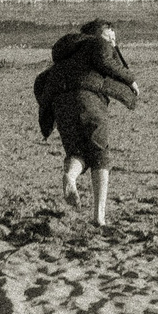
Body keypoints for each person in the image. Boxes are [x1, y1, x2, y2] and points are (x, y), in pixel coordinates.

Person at [32, 20, 137, 228]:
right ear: (98, 34)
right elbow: (105, 62)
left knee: (76, 151)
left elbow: (40, 83)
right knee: (100, 155)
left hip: (61, 103)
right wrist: (131, 81)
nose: (114, 43)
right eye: (110, 36)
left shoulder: (67, 55)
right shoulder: (97, 45)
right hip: (88, 99)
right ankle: (99, 217)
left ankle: (70, 178)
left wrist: (51, 110)